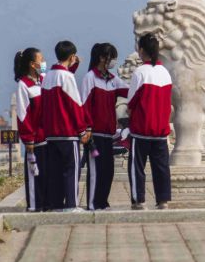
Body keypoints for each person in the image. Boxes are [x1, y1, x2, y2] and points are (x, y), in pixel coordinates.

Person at [41, 40, 91, 211]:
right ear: (71, 56)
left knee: (55, 171)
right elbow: (75, 105)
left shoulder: (47, 76)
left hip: (51, 133)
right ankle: (71, 204)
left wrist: (73, 65)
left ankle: (56, 204)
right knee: (71, 169)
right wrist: (82, 129)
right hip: (67, 132)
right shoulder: (67, 77)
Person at [80, 42, 128, 210]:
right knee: (95, 171)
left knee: (108, 171)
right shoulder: (89, 78)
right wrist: (87, 129)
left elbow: (129, 91)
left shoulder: (113, 79)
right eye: (111, 57)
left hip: (109, 134)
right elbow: (84, 105)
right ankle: (93, 203)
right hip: (94, 134)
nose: (114, 61)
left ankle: (103, 201)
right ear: (102, 58)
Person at [126, 33, 172, 210]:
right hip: (160, 130)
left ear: (141, 50)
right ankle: (162, 200)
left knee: (137, 166)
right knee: (161, 167)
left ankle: (139, 200)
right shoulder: (165, 73)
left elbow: (131, 102)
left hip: (141, 129)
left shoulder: (140, 72)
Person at [14, 47, 46, 212]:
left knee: (47, 174)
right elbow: (22, 114)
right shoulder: (23, 85)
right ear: (33, 64)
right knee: (35, 174)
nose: (44, 62)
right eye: (41, 59)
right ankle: (34, 205)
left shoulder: (44, 79)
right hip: (34, 139)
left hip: (48, 137)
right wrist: (28, 139)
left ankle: (47, 204)